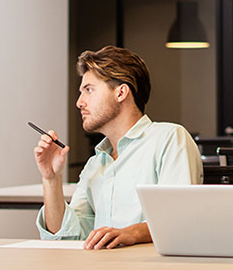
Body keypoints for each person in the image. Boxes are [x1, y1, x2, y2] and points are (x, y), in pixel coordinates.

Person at [34, 46, 203, 249]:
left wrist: (129, 233)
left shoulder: (169, 138)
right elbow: (65, 239)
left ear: (121, 92)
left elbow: (178, 220)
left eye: (89, 90)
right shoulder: (95, 164)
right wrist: (51, 179)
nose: (79, 102)